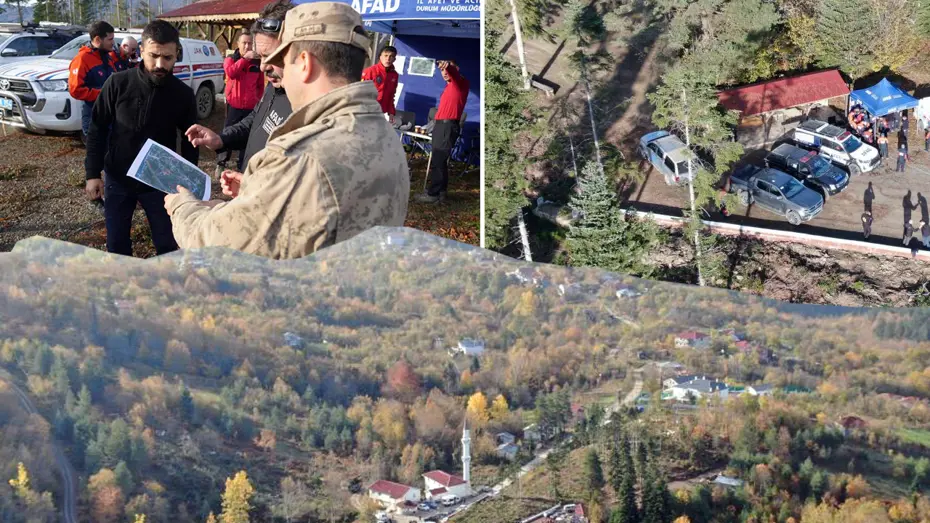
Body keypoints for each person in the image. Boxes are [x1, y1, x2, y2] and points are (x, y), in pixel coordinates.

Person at [165, 2, 410, 259]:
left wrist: (184, 208)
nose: (264, 67)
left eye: (281, 59)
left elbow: (213, 244)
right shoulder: (384, 135)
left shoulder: (301, 158)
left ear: (304, 62)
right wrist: (257, 188)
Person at [85, 20, 199, 257]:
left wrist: (189, 184)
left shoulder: (183, 95)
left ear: (176, 54)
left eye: (167, 58)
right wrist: (92, 174)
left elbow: (191, 141)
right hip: (118, 176)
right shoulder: (117, 84)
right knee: (116, 245)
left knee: (167, 244)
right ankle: (124, 288)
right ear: (141, 51)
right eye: (154, 56)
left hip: (160, 181)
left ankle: (163, 288)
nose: (160, 64)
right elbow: (97, 128)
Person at [185, 0, 295, 180]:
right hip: (236, 107)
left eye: (271, 56)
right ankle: (222, 162)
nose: (263, 67)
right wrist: (221, 140)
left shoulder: (305, 107)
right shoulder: (273, 84)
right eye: (261, 57)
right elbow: (256, 120)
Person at [416, 59, 469, 204]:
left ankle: (433, 194)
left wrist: (448, 67)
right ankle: (441, 192)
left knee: (438, 160)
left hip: (447, 126)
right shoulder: (450, 86)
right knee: (440, 160)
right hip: (441, 125)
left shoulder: (460, 83)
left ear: (456, 68)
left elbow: (453, 74)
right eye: (442, 70)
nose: (445, 72)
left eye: (448, 69)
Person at [222, 30, 265, 171]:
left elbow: (260, 84)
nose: (247, 46)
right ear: (238, 44)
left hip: (250, 107)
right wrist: (245, 59)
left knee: (247, 137)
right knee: (227, 134)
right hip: (234, 105)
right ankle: (221, 162)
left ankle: (242, 164)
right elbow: (231, 73)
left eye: (249, 43)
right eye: (244, 43)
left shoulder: (257, 63)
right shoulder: (230, 59)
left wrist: (256, 99)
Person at [68, 21, 117, 145]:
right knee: (97, 157)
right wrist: (102, 94)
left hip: (110, 117)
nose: (113, 42)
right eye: (110, 39)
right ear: (97, 39)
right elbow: (75, 90)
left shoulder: (107, 57)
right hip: (93, 117)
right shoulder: (82, 59)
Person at [362, 46, 399, 121]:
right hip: (366, 111)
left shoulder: (394, 75)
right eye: (386, 55)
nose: (388, 59)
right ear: (380, 57)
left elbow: (391, 95)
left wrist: (391, 112)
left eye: (391, 56)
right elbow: (361, 93)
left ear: (394, 59)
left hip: (380, 113)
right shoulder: (370, 71)